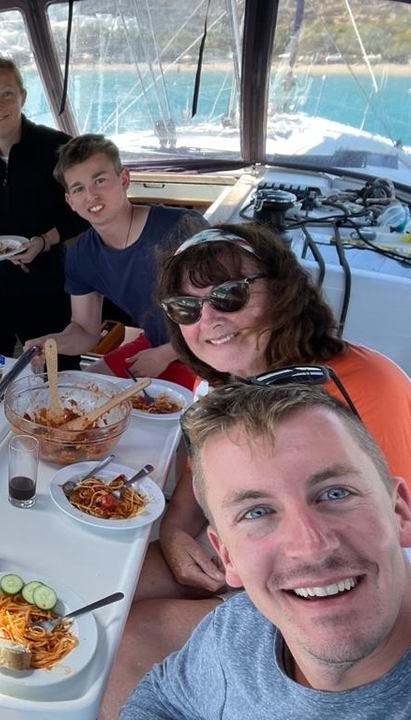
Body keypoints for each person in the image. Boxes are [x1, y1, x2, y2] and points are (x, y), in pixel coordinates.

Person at [100, 222, 411, 719]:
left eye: (229, 295)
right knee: (106, 598)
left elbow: (384, 548)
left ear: (281, 290)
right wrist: (178, 537)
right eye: (187, 308)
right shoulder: (222, 388)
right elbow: (193, 498)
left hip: (344, 592)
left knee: (130, 632)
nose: (211, 319)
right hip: (242, 557)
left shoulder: (367, 387)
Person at [119, 382, 411, 718]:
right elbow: (165, 698)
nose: (311, 547)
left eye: (335, 494)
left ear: (399, 511)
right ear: (226, 555)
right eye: (256, 512)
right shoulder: (238, 629)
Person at [24, 134, 207, 386]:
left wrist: (165, 354)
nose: (91, 195)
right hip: (154, 344)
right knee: (78, 387)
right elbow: (86, 331)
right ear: (70, 202)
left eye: (99, 181)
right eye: (78, 189)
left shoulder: (182, 229)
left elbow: (222, 311)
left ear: (124, 179)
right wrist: (52, 344)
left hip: (209, 352)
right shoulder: (81, 255)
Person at [0, 57, 86, 368]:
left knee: (59, 374)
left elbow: (79, 214)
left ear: (23, 97)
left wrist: (42, 242)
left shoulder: (57, 147)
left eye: (6, 94)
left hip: (47, 284)